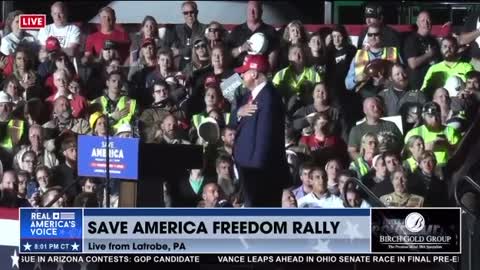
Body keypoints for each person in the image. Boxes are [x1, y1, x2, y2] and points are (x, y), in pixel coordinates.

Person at [231, 54, 290, 207]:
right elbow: (234, 121)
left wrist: (256, 171)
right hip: (249, 171)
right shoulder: (248, 97)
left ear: (254, 74)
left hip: (260, 174)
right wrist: (238, 112)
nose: (241, 75)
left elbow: (265, 138)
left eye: (244, 72)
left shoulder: (269, 98)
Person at [345, 25, 401, 97]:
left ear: (382, 36)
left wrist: (385, 82)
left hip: (388, 96)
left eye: (376, 34)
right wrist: (357, 79)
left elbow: (403, 81)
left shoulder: (392, 53)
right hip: (365, 98)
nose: (372, 37)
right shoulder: (358, 56)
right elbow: (347, 85)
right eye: (370, 35)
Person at [404, 102, 461, 168]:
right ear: (423, 116)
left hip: (446, 169)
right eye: (430, 116)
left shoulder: (450, 131)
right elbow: (407, 156)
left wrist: (447, 145)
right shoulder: (413, 133)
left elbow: (459, 154)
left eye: (437, 115)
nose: (434, 119)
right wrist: (425, 148)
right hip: (420, 170)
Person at [226, 1, 279, 69]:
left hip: (261, 72)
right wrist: (241, 48)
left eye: (255, 9)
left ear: (261, 11)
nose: (252, 12)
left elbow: (273, 56)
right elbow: (228, 55)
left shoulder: (270, 31)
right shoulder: (237, 30)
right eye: (249, 10)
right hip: (239, 72)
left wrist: (267, 73)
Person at [273, 44, 322, 109]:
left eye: (300, 53)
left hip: (307, 110)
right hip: (285, 111)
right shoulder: (280, 75)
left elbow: (320, 94)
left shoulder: (314, 74)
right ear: (289, 57)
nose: (298, 56)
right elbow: (273, 95)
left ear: (304, 56)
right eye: (294, 53)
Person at [403, 10, 441, 90]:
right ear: (417, 23)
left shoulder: (434, 40)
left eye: (428, 20)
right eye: (423, 20)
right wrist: (429, 55)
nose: (426, 23)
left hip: (433, 83)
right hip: (418, 85)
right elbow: (413, 64)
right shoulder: (411, 40)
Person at [173, 1, 208, 70]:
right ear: (183, 14)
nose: (189, 15)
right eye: (186, 13)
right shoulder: (177, 29)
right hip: (182, 66)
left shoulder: (205, 28)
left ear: (196, 12)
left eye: (191, 12)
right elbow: (173, 50)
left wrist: (180, 51)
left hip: (200, 65)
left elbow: (198, 48)